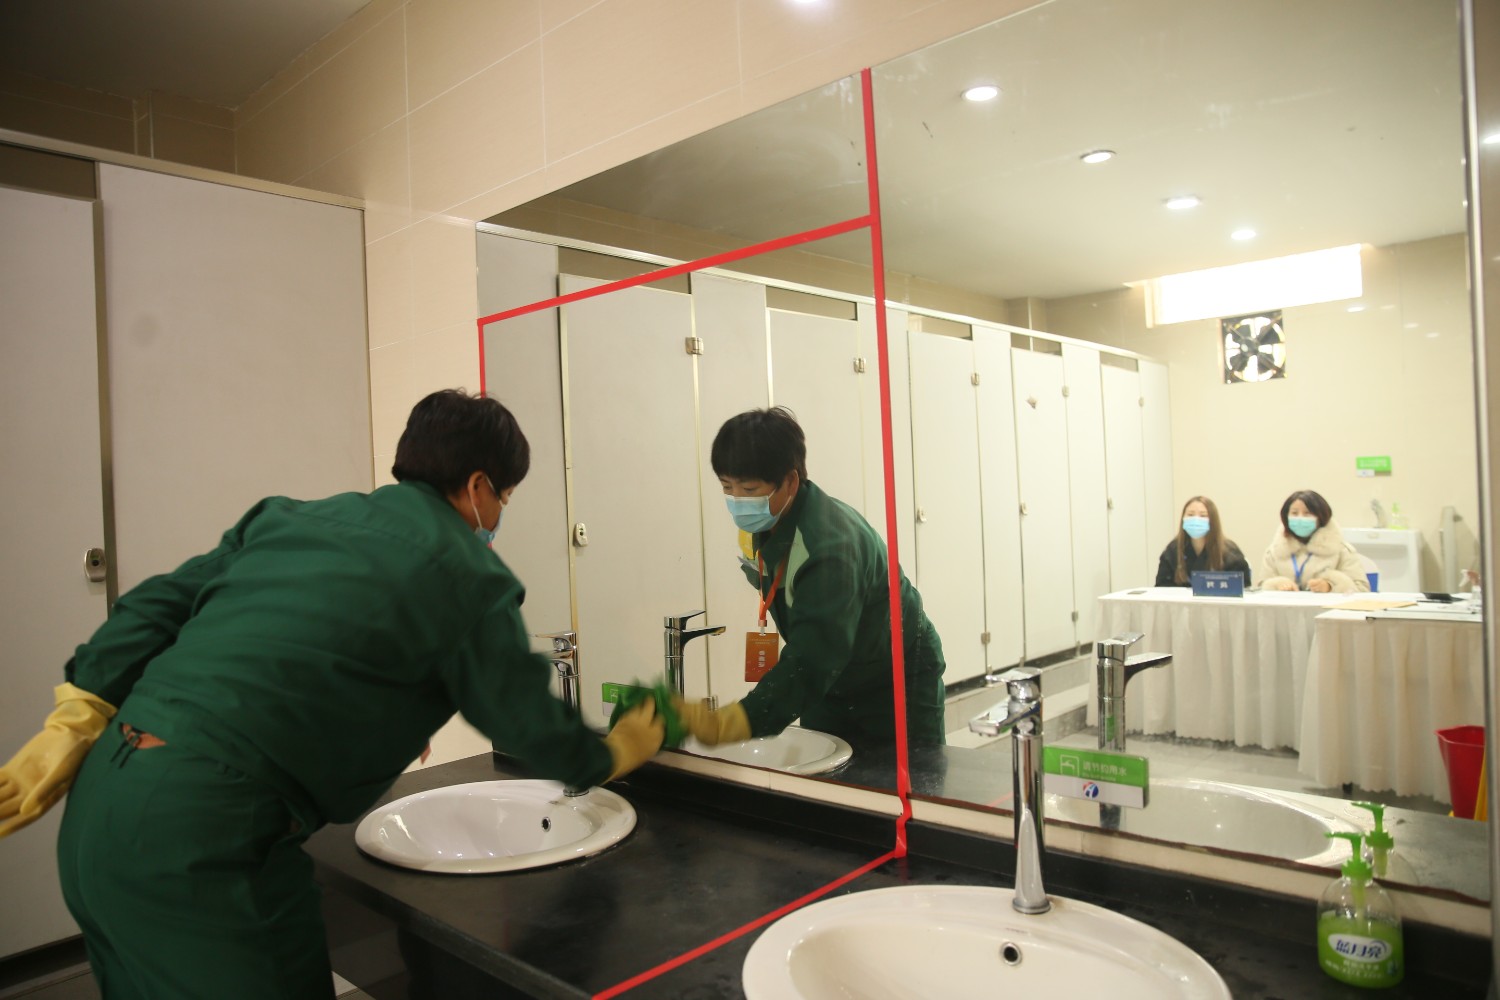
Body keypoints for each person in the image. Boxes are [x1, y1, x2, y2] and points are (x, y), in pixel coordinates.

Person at [0, 389, 663, 1000]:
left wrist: (77, 713)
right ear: (478, 486)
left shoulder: (289, 519)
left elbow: (154, 607)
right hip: (206, 841)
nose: (498, 517)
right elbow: (527, 725)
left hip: (98, 813)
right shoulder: (468, 573)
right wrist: (615, 750)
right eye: (505, 498)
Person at [675, 407, 947, 754]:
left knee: (906, 778)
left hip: (894, 675)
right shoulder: (769, 522)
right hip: (834, 674)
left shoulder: (830, 547)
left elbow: (812, 661)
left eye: (749, 488)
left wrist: (735, 721)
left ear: (790, 481)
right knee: (825, 771)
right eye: (727, 487)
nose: (738, 501)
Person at [1259, 489, 1371, 593]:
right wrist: (1277, 586)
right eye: (1294, 513)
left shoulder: (1342, 550)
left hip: (1327, 608)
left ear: (1321, 517)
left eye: (1307, 513)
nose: (1300, 518)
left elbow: (1362, 590)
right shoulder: (1274, 551)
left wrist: (1330, 586)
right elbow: (1261, 588)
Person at [1154, 495, 1252, 587]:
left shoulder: (1230, 552)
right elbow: (1161, 587)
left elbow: (1243, 588)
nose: (1196, 519)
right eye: (1190, 514)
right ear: (1183, 519)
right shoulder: (1173, 550)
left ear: (1213, 521)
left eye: (1203, 515)